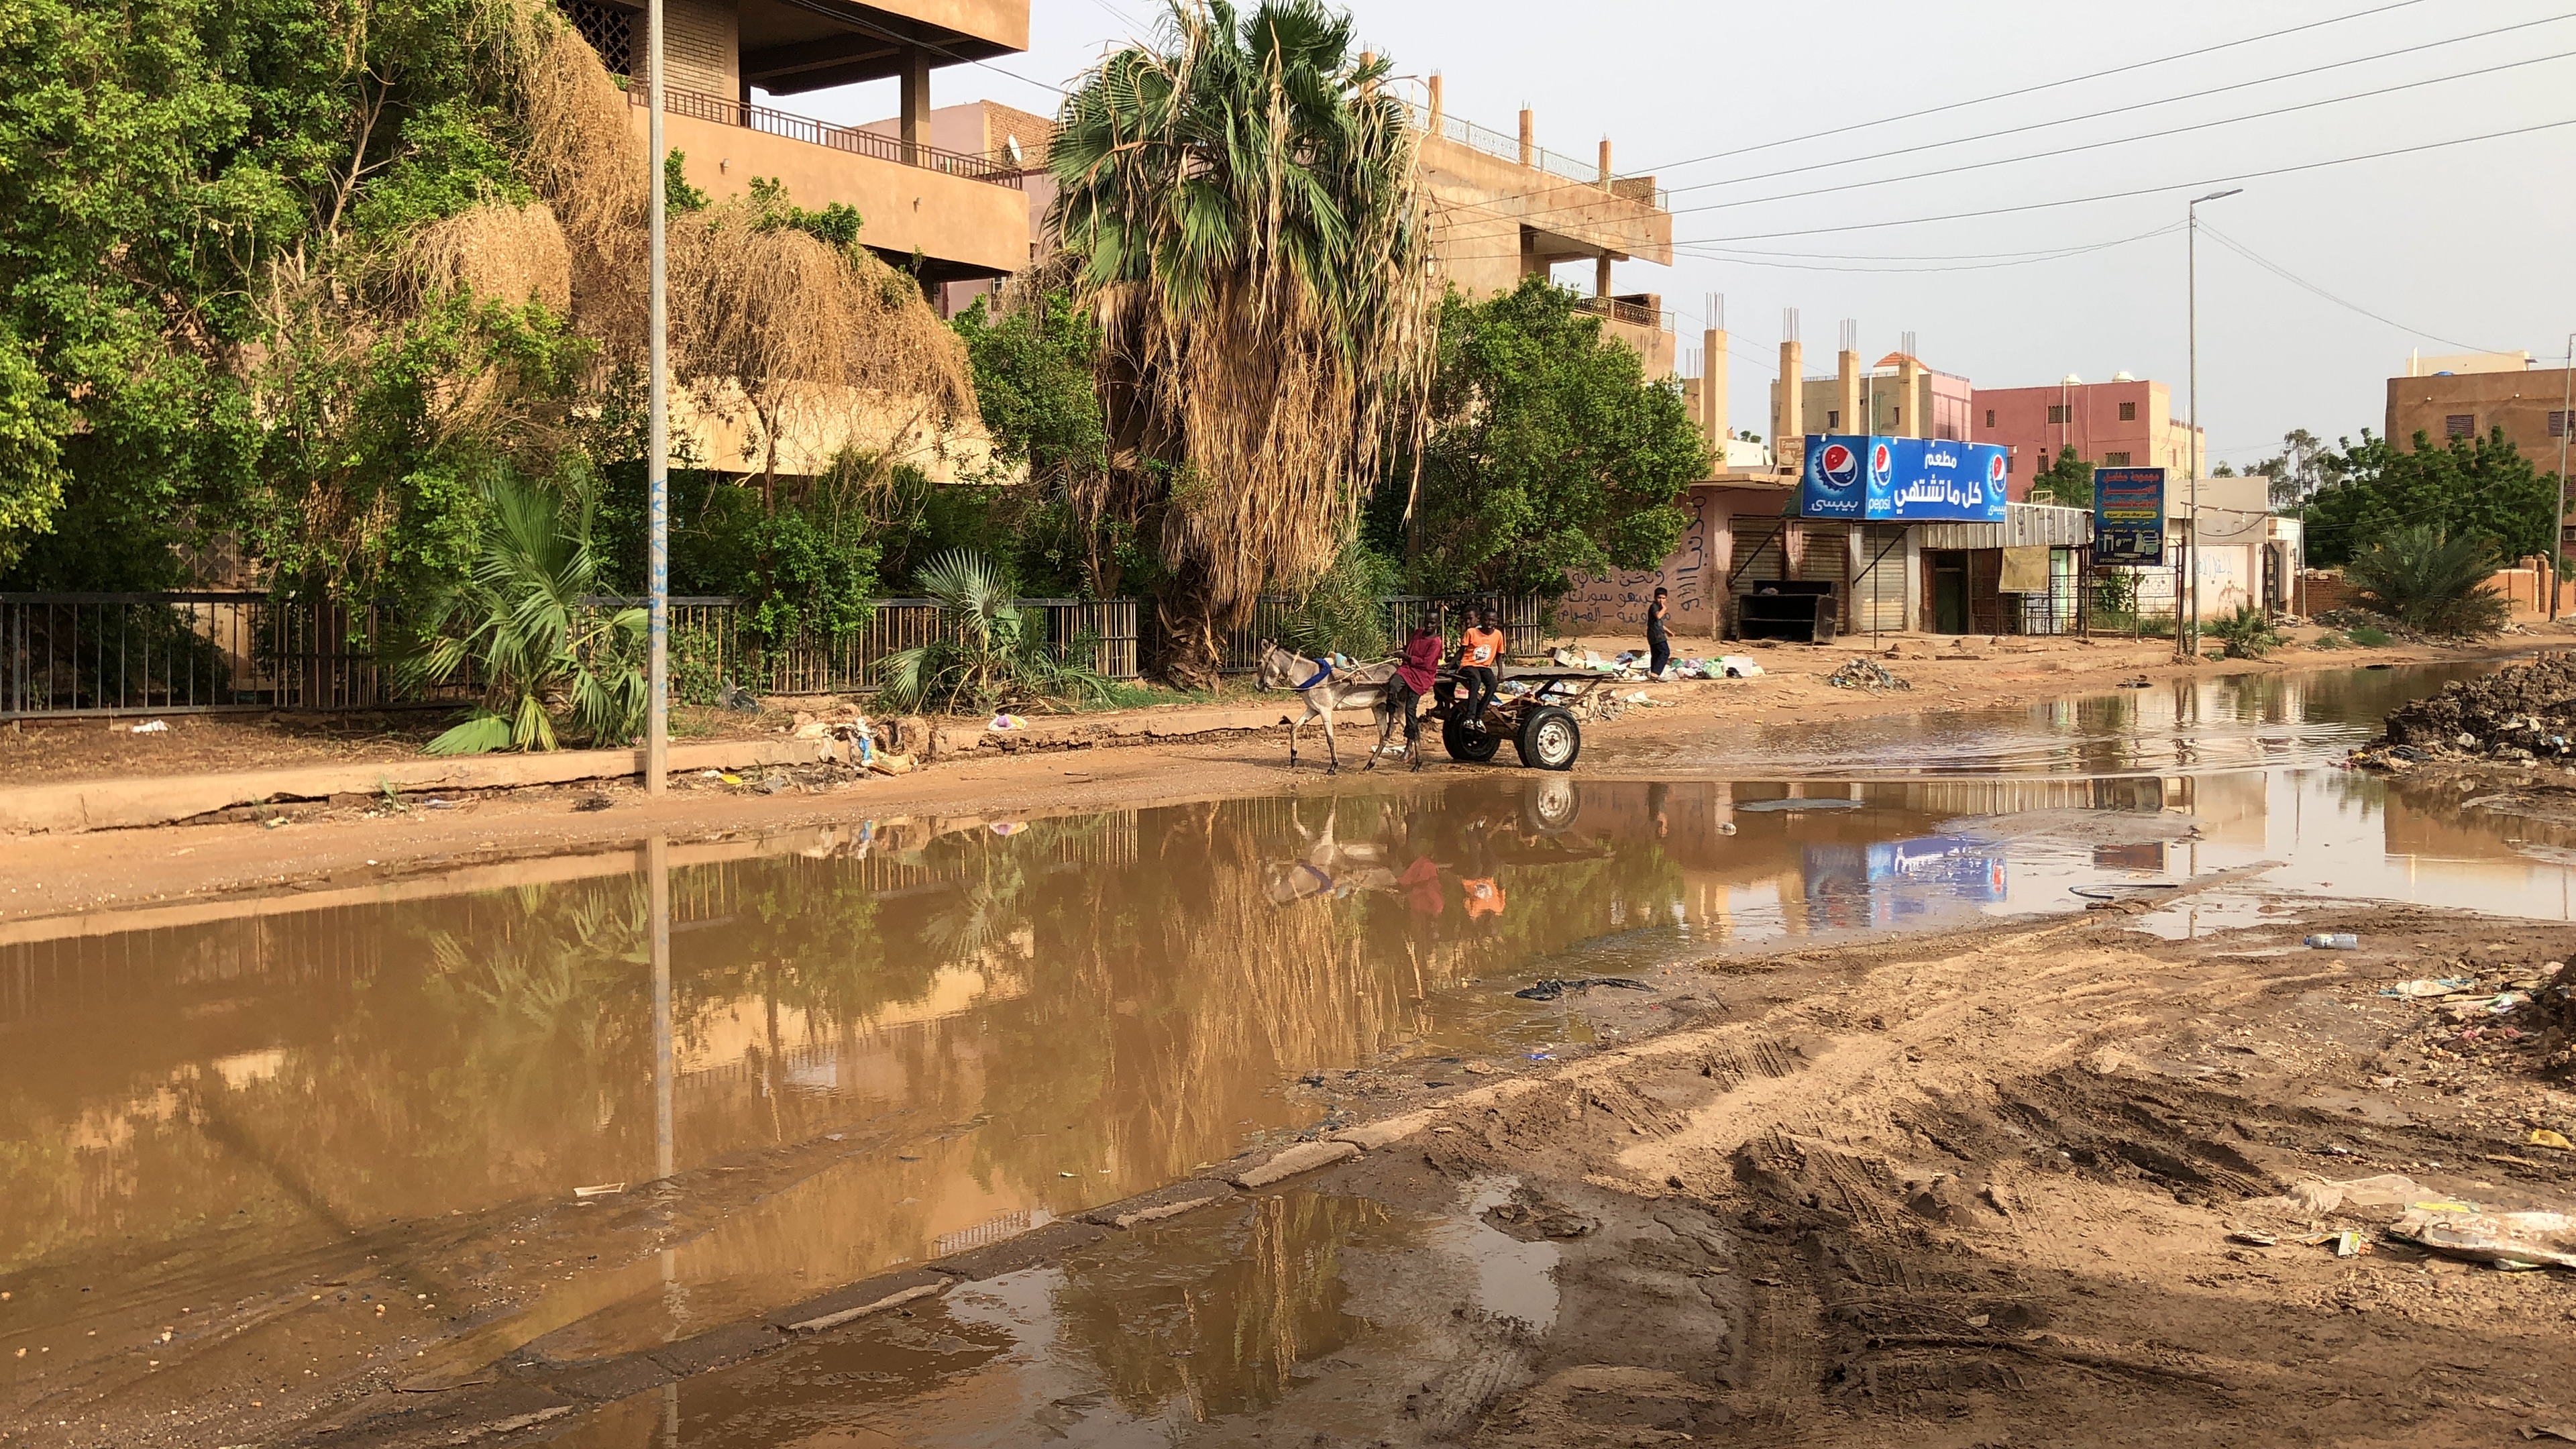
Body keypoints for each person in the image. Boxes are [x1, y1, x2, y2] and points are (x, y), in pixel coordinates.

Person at [1391, 606, 1446, 752]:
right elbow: (1408, 647)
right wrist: (1396, 653)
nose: (1428, 626)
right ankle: (1391, 717)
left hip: (1423, 675)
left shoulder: (1436, 642)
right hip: (1408, 669)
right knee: (1392, 685)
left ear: (1437, 624)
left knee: (1410, 709)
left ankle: (1411, 743)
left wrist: (1407, 657)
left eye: (1432, 623)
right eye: (1427, 622)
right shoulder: (1418, 633)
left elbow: (1427, 663)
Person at [1456, 608, 1505, 732]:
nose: (1490, 623)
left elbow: (1499, 655)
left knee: (1493, 684)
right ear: (1481, 620)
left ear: (1497, 621)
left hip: (1484, 666)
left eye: (1493, 620)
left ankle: (1478, 717)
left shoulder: (1498, 635)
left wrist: (1500, 672)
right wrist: (1452, 667)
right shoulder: (1472, 632)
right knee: (1476, 680)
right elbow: (1461, 652)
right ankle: (1469, 717)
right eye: (1487, 620)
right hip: (1468, 664)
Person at [1645, 586, 1672, 680]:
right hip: (1656, 635)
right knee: (1665, 652)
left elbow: (1658, 623)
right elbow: (1658, 617)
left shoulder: (1658, 607)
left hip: (1655, 633)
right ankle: (1656, 673)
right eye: (1659, 598)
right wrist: (1664, 609)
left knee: (1656, 654)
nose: (1661, 600)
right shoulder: (1655, 606)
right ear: (1655, 598)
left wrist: (1668, 631)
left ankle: (1653, 674)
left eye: (1663, 598)